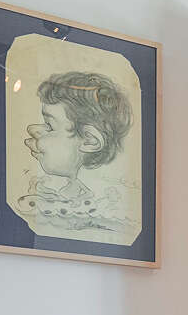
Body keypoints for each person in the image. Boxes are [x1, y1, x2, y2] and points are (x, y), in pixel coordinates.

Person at [17, 71, 134, 235]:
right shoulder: (41, 187)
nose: (33, 129)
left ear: (89, 141)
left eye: (49, 125)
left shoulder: (103, 210)